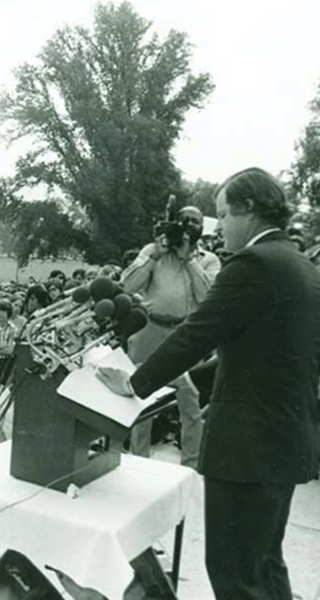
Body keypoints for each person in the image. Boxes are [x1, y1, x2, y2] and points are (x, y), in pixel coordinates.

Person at [97, 168, 320, 600]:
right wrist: (186, 381)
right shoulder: (300, 264)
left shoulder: (253, 265)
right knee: (266, 565)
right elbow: (261, 353)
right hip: (285, 440)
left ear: (249, 210)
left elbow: (196, 332)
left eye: (222, 215)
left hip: (248, 449)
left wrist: (136, 384)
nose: (217, 230)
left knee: (235, 573)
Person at [120, 204, 220, 468]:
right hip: (149, 329)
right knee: (140, 396)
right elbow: (127, 285)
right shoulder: (153, 250)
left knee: (191, 400)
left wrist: (189, 260)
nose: (187, 226)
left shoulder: (208, 259)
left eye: (194, 222)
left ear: (201, 229)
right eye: (183, 220)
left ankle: (190, 465)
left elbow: (209, 297)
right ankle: (139, 461)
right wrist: (155, 255)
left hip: (186, 334)